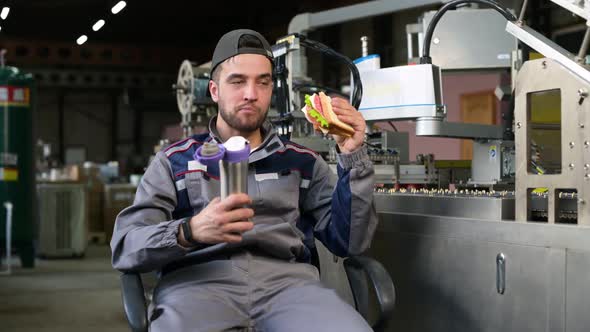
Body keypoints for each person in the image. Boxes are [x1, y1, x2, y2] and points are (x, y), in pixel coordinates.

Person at [111, 28, 377, 332]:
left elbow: (350, 242)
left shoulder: (302, 162)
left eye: (262, 82)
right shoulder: (174, 162)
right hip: (196, 290)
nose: (251, 93)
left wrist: (352, 155)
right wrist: (189, 230)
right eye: (237, 81)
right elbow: (125, 247)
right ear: (214, 91)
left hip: (289, 290)